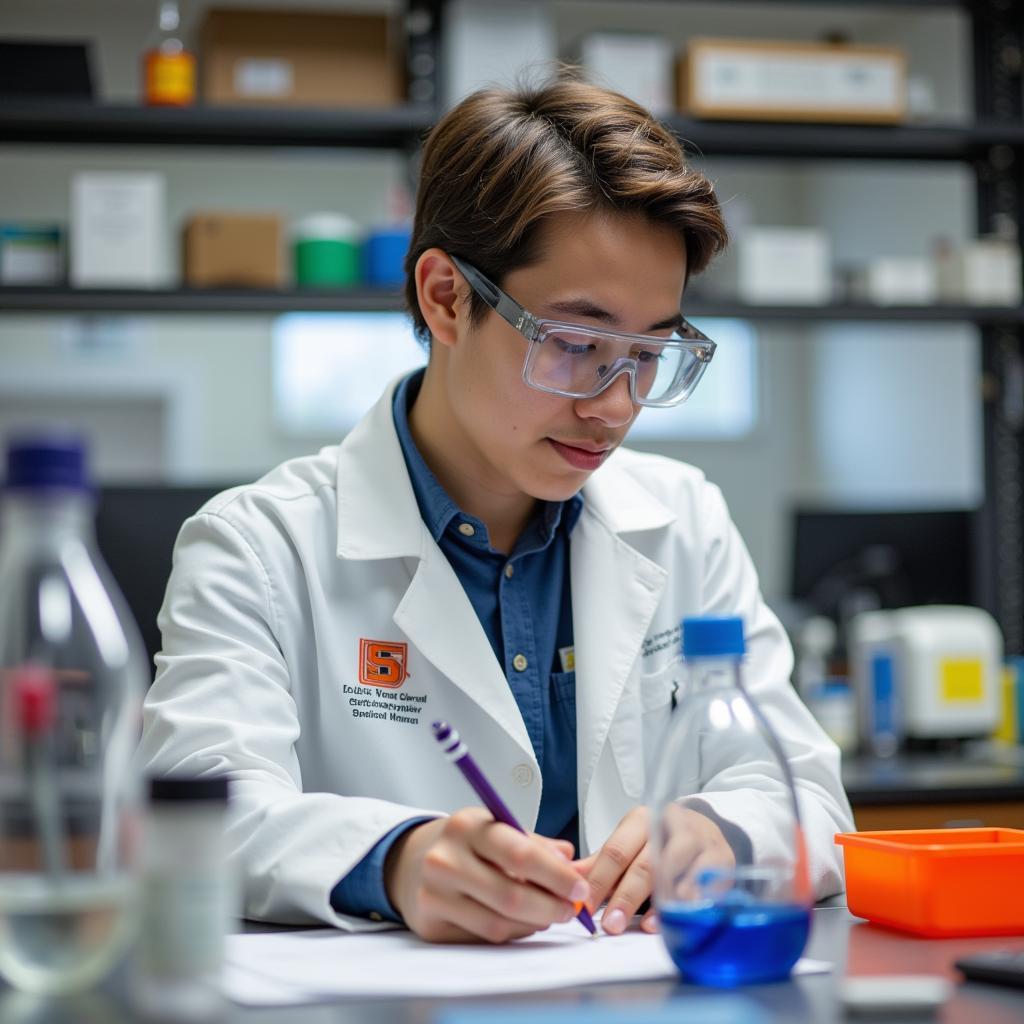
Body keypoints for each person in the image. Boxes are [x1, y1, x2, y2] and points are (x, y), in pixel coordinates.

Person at [138, 77, 853, 944]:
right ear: (445, 298)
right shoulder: (257, 544)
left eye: (651, 353)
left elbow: (807, 792)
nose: (616, 406)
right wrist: (394, 860)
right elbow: (196, 811)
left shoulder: (683, 519)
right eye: (578, 345)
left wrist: (721, 834)